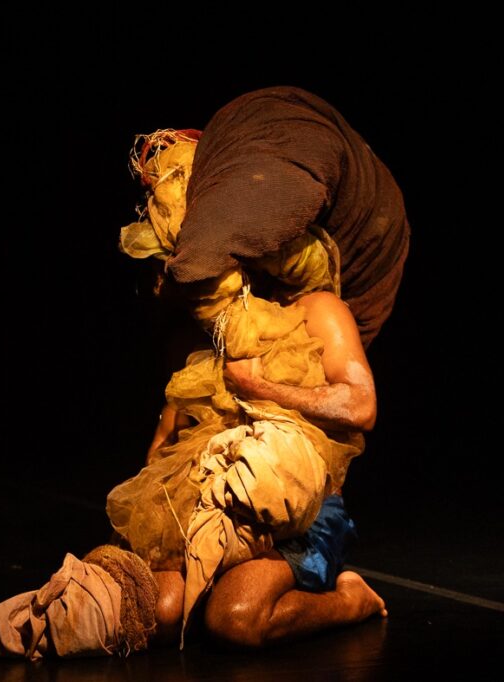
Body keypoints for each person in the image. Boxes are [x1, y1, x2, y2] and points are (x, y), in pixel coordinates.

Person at [113, 85, 408, 648]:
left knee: (236, 619)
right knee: (164, 611)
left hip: (295, 510)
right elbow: (164, 438)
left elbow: (361, 406)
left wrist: (260, 386)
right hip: (205, 500)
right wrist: (157, 519)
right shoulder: (203, 328)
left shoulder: (320, 311)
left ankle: (351, 598)